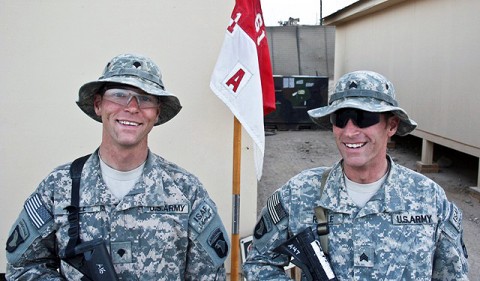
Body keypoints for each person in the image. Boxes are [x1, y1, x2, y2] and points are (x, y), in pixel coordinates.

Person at [5, 53, 230, 280]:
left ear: (157, 113)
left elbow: (210, 275)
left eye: (145, 98)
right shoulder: (59, 186)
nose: (132, 108)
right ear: (98, 105)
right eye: (119, 95)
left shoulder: (186, 190)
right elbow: (23, 267)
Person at [243, 70, 469, 280]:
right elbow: (259, 262)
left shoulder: (428, 198)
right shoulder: (300, 193)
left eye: (364, 118)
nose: (350, 132)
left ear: (391, 126)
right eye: (340, 119)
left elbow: (454, 275)